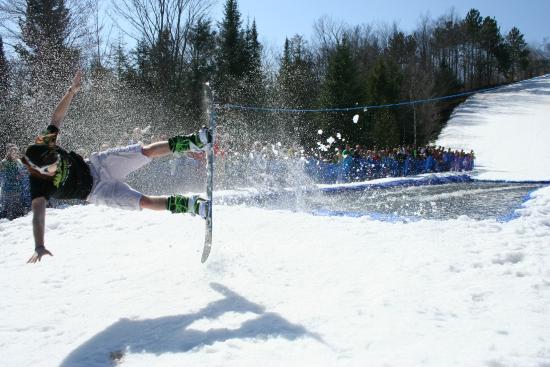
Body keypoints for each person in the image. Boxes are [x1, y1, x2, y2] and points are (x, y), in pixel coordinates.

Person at [22, 71, 212, 263]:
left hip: (97, 166)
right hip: (96, 192)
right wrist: (39, 245)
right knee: (143, 202)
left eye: (57, 159)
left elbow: (56, 117)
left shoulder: (45, 143)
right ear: (41, 171)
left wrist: (71, 91)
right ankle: (192, 205)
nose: (57, 165)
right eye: (53, 167)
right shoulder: (38, 187)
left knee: (145, 152)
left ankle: (194, 142)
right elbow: (38, 216)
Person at [0, 144, 31, 220]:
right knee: (7, 214)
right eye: (12, 151)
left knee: (18, 214)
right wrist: (16, 177)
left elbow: (24, 172)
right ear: (8, 152)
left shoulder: (19, 162)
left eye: (16, 151)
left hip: (19, 192)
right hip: (7, 192)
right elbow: (3, 177)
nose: (15, 153)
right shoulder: (4, 163)